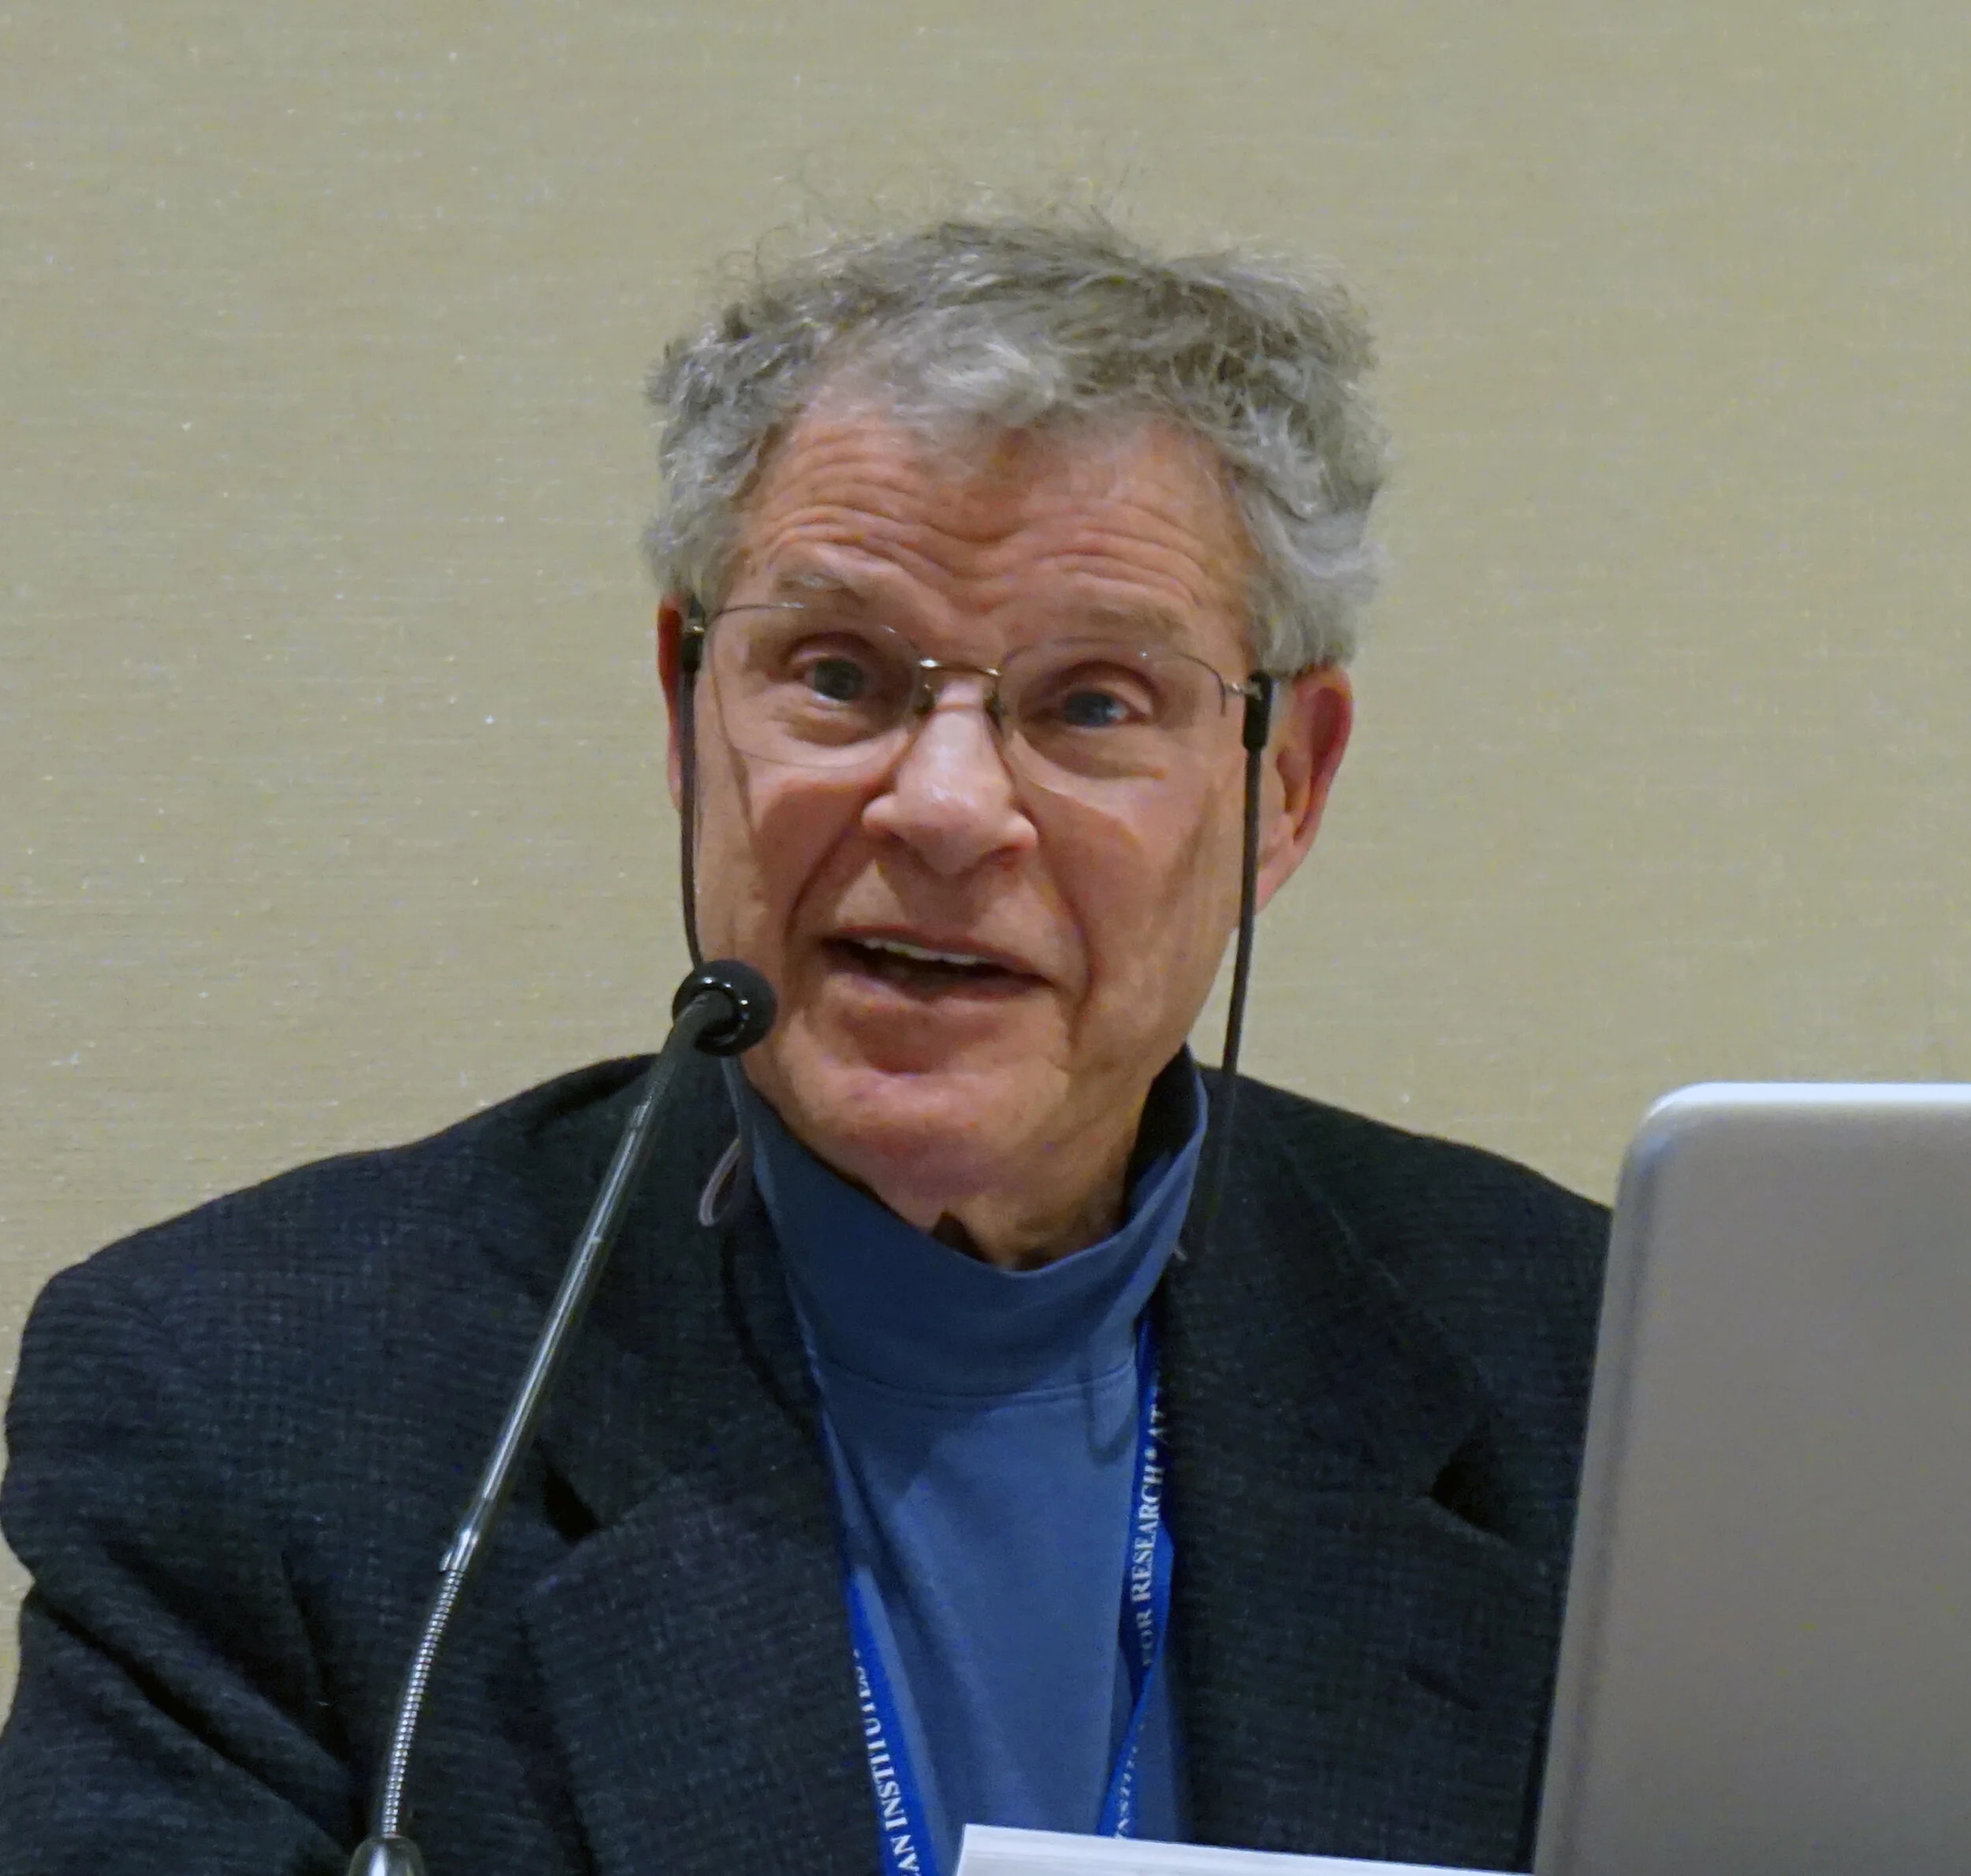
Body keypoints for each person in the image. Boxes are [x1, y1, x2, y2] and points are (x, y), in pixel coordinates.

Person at [0, 216, 1607, 1875]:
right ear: (687, 706)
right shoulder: (258, 1399)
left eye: (1093, 703)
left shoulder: (1589, 1375)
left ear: (1286, 781)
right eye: (839, 675)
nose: (946, 805)